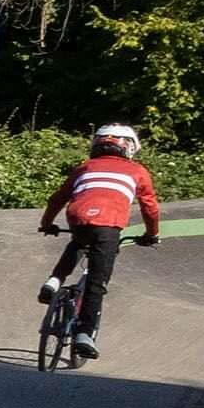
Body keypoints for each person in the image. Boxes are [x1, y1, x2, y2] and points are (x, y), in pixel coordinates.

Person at [38, 124, 159, 359]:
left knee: (78, 243)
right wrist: (151, 233)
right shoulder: (137, 170)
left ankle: (54, 281)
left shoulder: (85, 167)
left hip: (78, 218)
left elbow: (57, 198)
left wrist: (47, 223)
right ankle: (84, 334)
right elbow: (150, 207)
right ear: (130, 147)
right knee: (96, 282)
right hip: (108, 224)